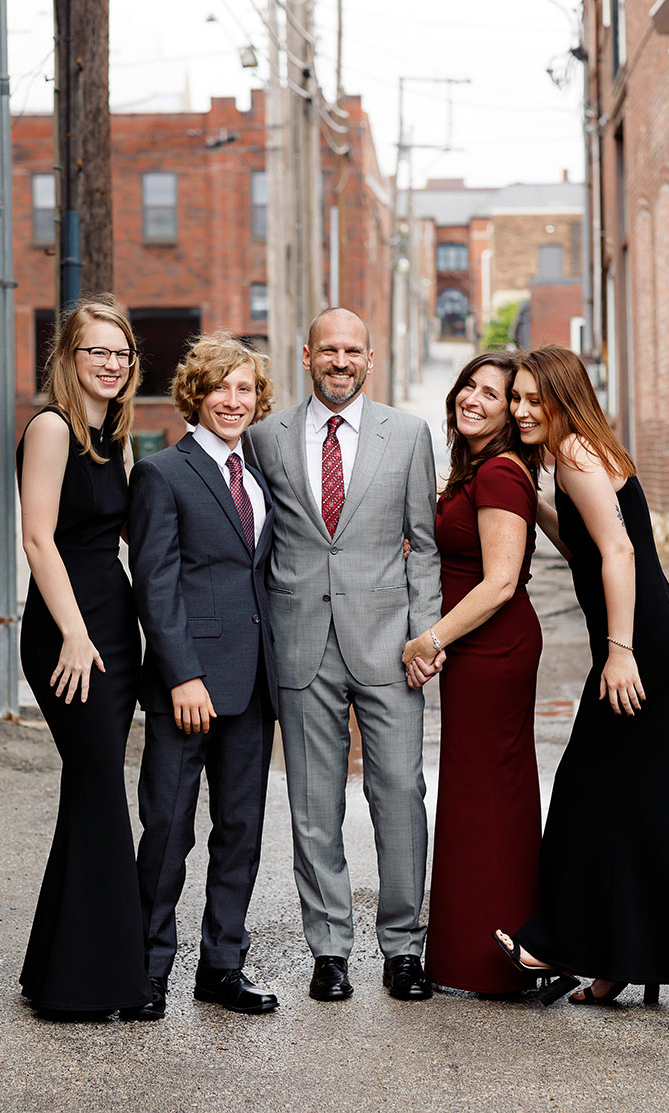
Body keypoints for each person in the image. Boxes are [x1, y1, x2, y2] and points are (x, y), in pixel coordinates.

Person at [495, 344, 669, 1006]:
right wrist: (536, 503)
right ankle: (618, 963)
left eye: (535, 400)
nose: (521, 410)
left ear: (564, 400)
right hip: (647, 639)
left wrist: (618, 651)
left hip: (638, 645)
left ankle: (555, 943)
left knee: (585, 793)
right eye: (516, 398)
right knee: (632, 801)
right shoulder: (578, 454)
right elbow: (583, 545)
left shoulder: (577, 454)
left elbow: (618, 552)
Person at [247, 307, 441, 1002]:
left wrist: (426, 634)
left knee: (400, 793)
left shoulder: (408, 435)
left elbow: (424, 544)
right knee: (311, 803)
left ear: (369, 358)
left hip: (390, 644)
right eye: (328, 350)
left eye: (352, 351)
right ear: (306, 356)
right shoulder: (265, 437)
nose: (340, 361)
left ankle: (404, 948)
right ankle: (328, 950)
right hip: (300, 641)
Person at [127, 332, 279, 1019]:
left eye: (245, 388)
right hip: (186, 687)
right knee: (167, 829)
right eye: (220, 386)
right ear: (195, 393)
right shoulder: (162, 473)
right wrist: (183, 675)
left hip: (253, 684)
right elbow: (155, 584)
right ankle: (147, 967)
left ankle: (222, 966)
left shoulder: (260, 474)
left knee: (240, 830)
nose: (233, 400)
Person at [18, 297, 153, 1019]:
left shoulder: (116, 432)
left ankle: (57, 966)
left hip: (114, 626)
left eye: (121, 353)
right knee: (101, 787)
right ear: (69, 357)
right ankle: (98, 981)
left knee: (90, 789)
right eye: (96, 351)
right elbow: (39, 539)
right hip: (67, 631)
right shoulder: (50, 427)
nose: (111, 363)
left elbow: (128, 532)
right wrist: (73, 632)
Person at [401, 352, 542, 996]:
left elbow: (501, 582)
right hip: (475, 648)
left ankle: (499, 956)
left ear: (509, 413)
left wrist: (429, 639)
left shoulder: (501, 472)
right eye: (469, 386)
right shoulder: (476, 469)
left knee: (490, 798)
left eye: (492, 393)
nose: (474, 399)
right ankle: (476, 953)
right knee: (473, 795)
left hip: (495, 649)